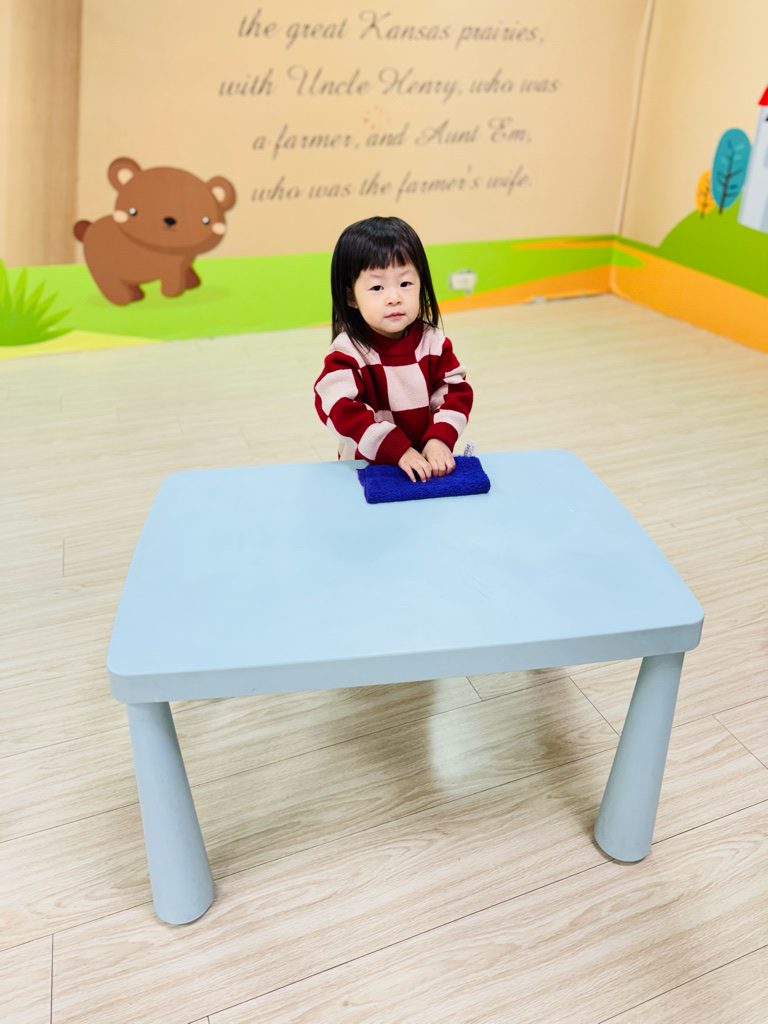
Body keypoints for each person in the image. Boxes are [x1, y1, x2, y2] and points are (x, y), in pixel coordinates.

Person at [314, 216, 473, 482]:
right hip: (366, 471)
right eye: (377, 287)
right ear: (351, 297)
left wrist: (439, 439)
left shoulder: (433, 342)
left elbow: (454, 393)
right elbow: (338, 407)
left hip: (423, 470)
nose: (394, 298)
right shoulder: (347, 352)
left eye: (405, 283)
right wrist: (396, 449)